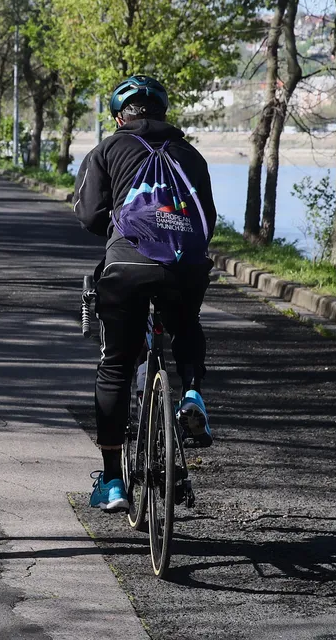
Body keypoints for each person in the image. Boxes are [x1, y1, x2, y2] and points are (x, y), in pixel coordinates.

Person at [74, 75, 216, 512]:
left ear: (120, 115)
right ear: (163, 112)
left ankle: (113, 481)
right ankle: (191, 392)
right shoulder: (190, 154)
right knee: (186, 322)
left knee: (115, 365)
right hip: (185, 267)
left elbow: (90, 213)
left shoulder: (108, 149)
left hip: (128, 266)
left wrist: (120, 231)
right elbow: (207, 218)